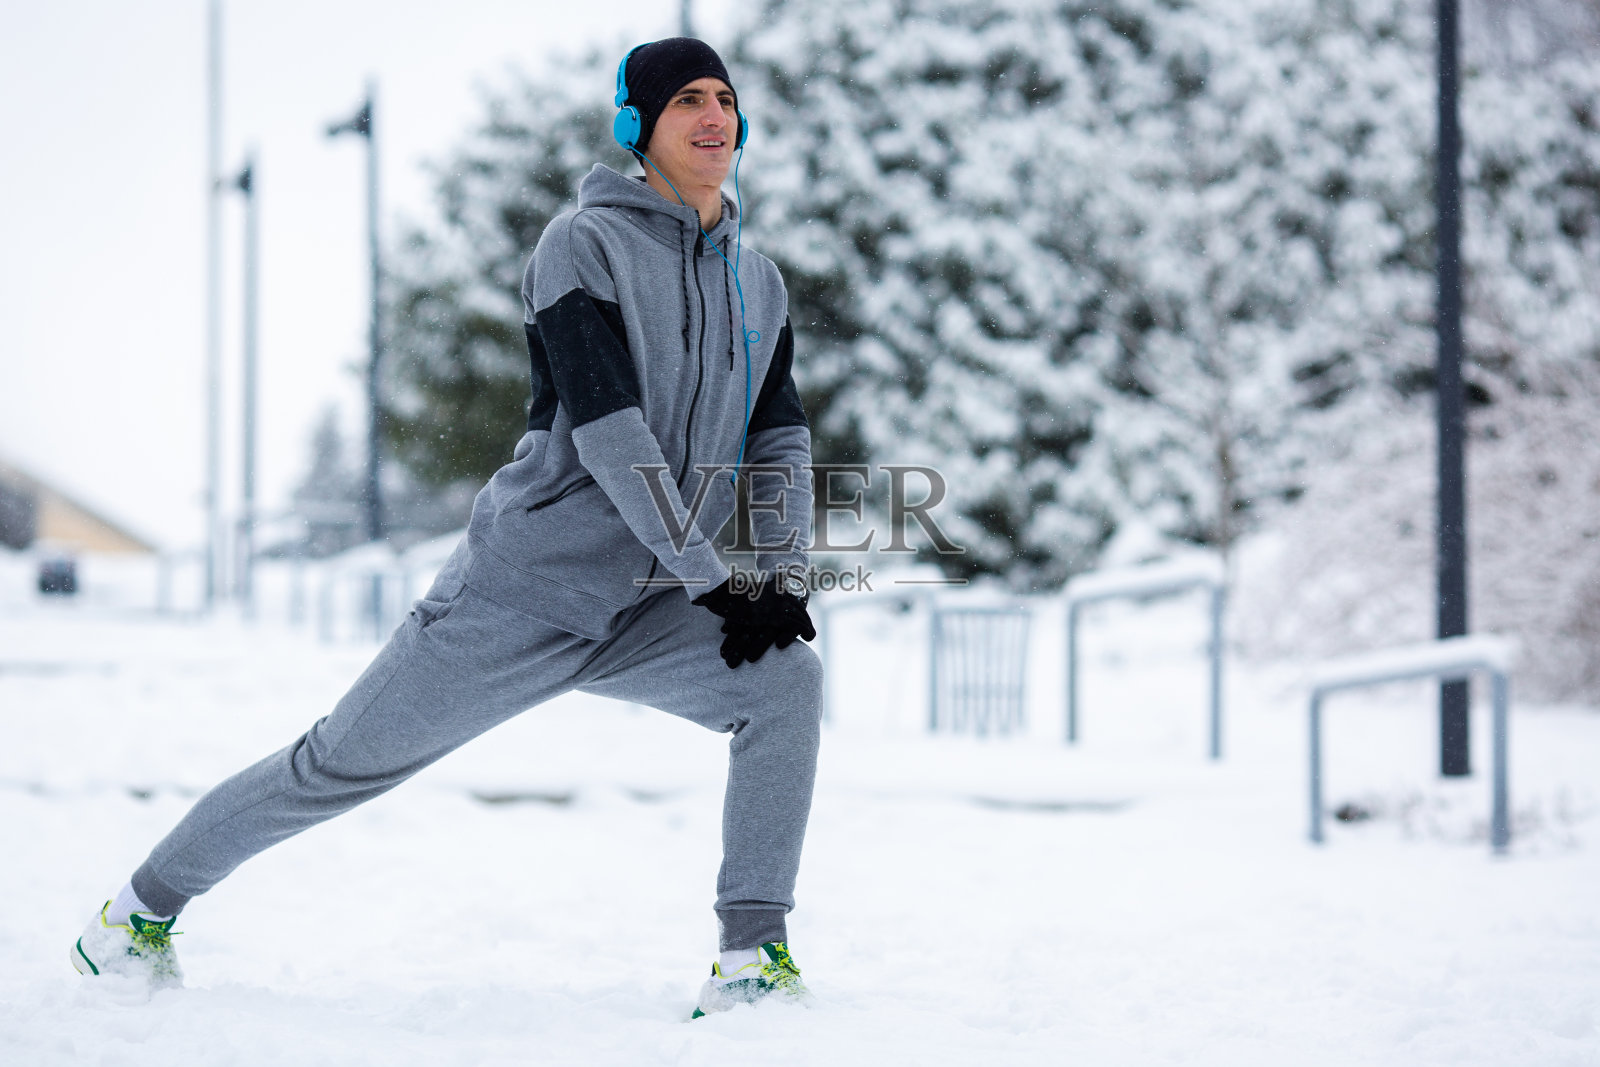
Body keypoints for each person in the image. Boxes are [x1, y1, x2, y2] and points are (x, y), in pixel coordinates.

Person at [71, 37, 823, 1019]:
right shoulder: (581, 245)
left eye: (725, 98)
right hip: (525, 588)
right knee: (336, 763)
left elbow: (778, 437)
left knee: (785, 681)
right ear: (637, 126)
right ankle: (134, 914)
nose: (713, 115)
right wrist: (704, 571)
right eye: (686, 99)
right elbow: (607, 428)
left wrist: (781, 577)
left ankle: (750, 955)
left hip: (647, 600)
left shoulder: (755, 282)